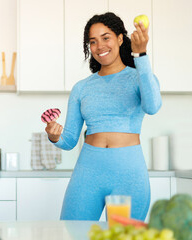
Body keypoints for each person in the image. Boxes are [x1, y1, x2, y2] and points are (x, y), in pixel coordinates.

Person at [45, 12, 162, 221]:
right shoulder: (81, 88)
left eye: (105, 38)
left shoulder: (139, 77)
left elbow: (153, 106)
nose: (99, 46)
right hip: (88, 170)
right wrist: (54, 135)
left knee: (122, 237)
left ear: (119, 39)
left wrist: (141, 55)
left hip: (128, 172)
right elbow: (70, 139)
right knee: (71, 233)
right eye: (93, 41)